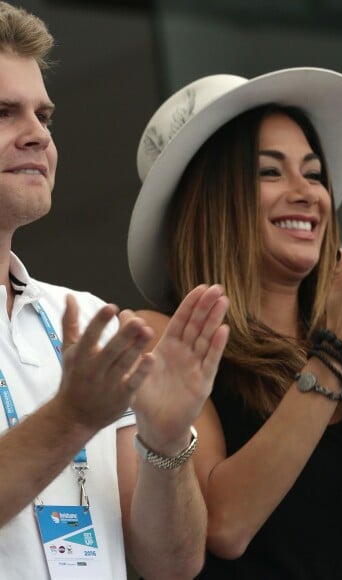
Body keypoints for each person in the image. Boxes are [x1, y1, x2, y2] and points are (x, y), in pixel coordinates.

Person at [127, 67, 342, 578]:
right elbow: (225, 527)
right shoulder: (161, 337)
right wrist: (335, 357)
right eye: (270, 172)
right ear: (213, 200)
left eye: (312, 172)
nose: (307, 192)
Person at [0, 3, 230, 578]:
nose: (37, 135)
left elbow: (172, 564)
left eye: (44, 116)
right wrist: (73, 417)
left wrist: (166, 439)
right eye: (4, 112)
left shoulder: (83, 316)